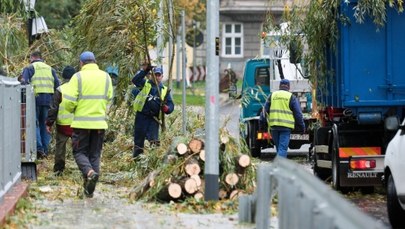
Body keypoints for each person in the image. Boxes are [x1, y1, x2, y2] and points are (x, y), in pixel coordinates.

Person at [62, 51, 113, 197]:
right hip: (99, 124)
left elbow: (69, 101)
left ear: (81, 63)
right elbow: (109, 97)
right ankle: (89, 189)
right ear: (95, 61)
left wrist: (74, 109)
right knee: (95, 155)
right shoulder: (106, 77)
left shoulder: (77, 77)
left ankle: (90, 173)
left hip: (81, 123)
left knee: (79, 152)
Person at [21, 51, 60, 158]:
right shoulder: (50, 69)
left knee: (35, 124)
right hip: (49, 101)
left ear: (32, 58)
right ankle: (45, 150)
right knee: (45, 124)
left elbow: (24, 83)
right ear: (41, 58)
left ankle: (39, 149)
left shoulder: (29, 68)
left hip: (34, 100)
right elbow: (57, 85)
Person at [131, 64, 174, 158]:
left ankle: (153, 159)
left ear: (162, 76)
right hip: (141, 117)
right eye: (155, 74)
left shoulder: (164, 90)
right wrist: (145, 71)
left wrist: (167, 108)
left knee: (154, 141)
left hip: (154, 119)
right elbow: (135, 80)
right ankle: (136, 160)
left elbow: (171, 105)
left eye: (159, 75)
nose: (156, 77)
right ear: (151, 75)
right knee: (139, 140)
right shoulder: (145, 84)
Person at [260, 79, 305, 158]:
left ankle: (280, 166)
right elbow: (298, 114)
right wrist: (301, 127)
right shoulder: (291, 97)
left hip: (274, 127)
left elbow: (264, 112)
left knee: (279, 149)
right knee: (282, 149)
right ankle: (280, 167)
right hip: (285, 127)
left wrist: (262, 125)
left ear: (279, 86)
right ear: (289, 87)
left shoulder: (272, 95)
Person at [45, 66, 76, 176]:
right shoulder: (80, 89)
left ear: (63, 76)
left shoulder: (60, 89)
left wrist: (49, 123)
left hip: (63, 125)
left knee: (60, 147)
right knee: (80, 147)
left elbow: (54, 108)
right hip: (78, 124)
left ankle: (59, 169)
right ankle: (84, 168)